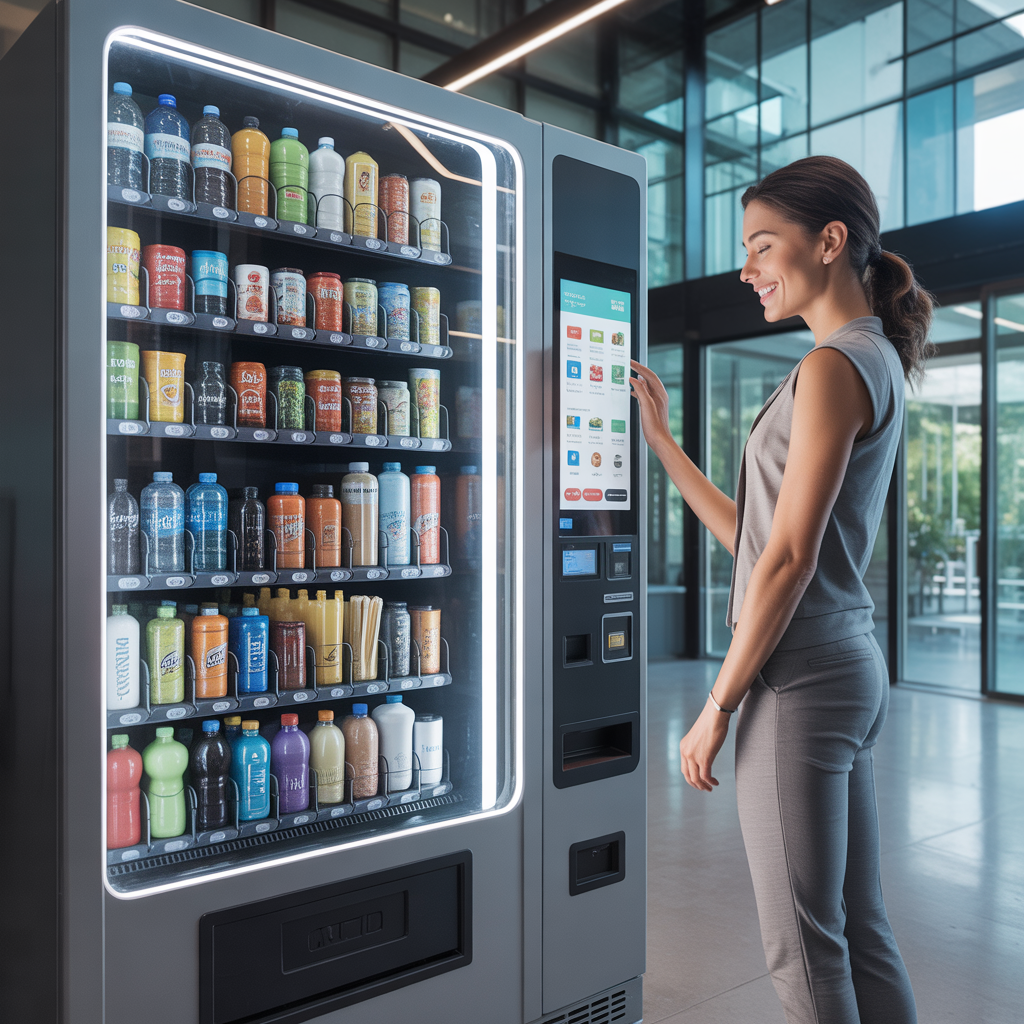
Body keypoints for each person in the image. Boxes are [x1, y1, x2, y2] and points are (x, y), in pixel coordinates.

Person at [630, 155, 932, 1024]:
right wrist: (667, 447)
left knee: (801, 949)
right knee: (857, 930)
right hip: (847, 665)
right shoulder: (870, 355)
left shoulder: (835, 366)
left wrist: (719, 702)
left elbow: (790, 558)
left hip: (796, 681)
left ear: (829, 242)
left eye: (763, 244)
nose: (746, 267)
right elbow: (760, 540)